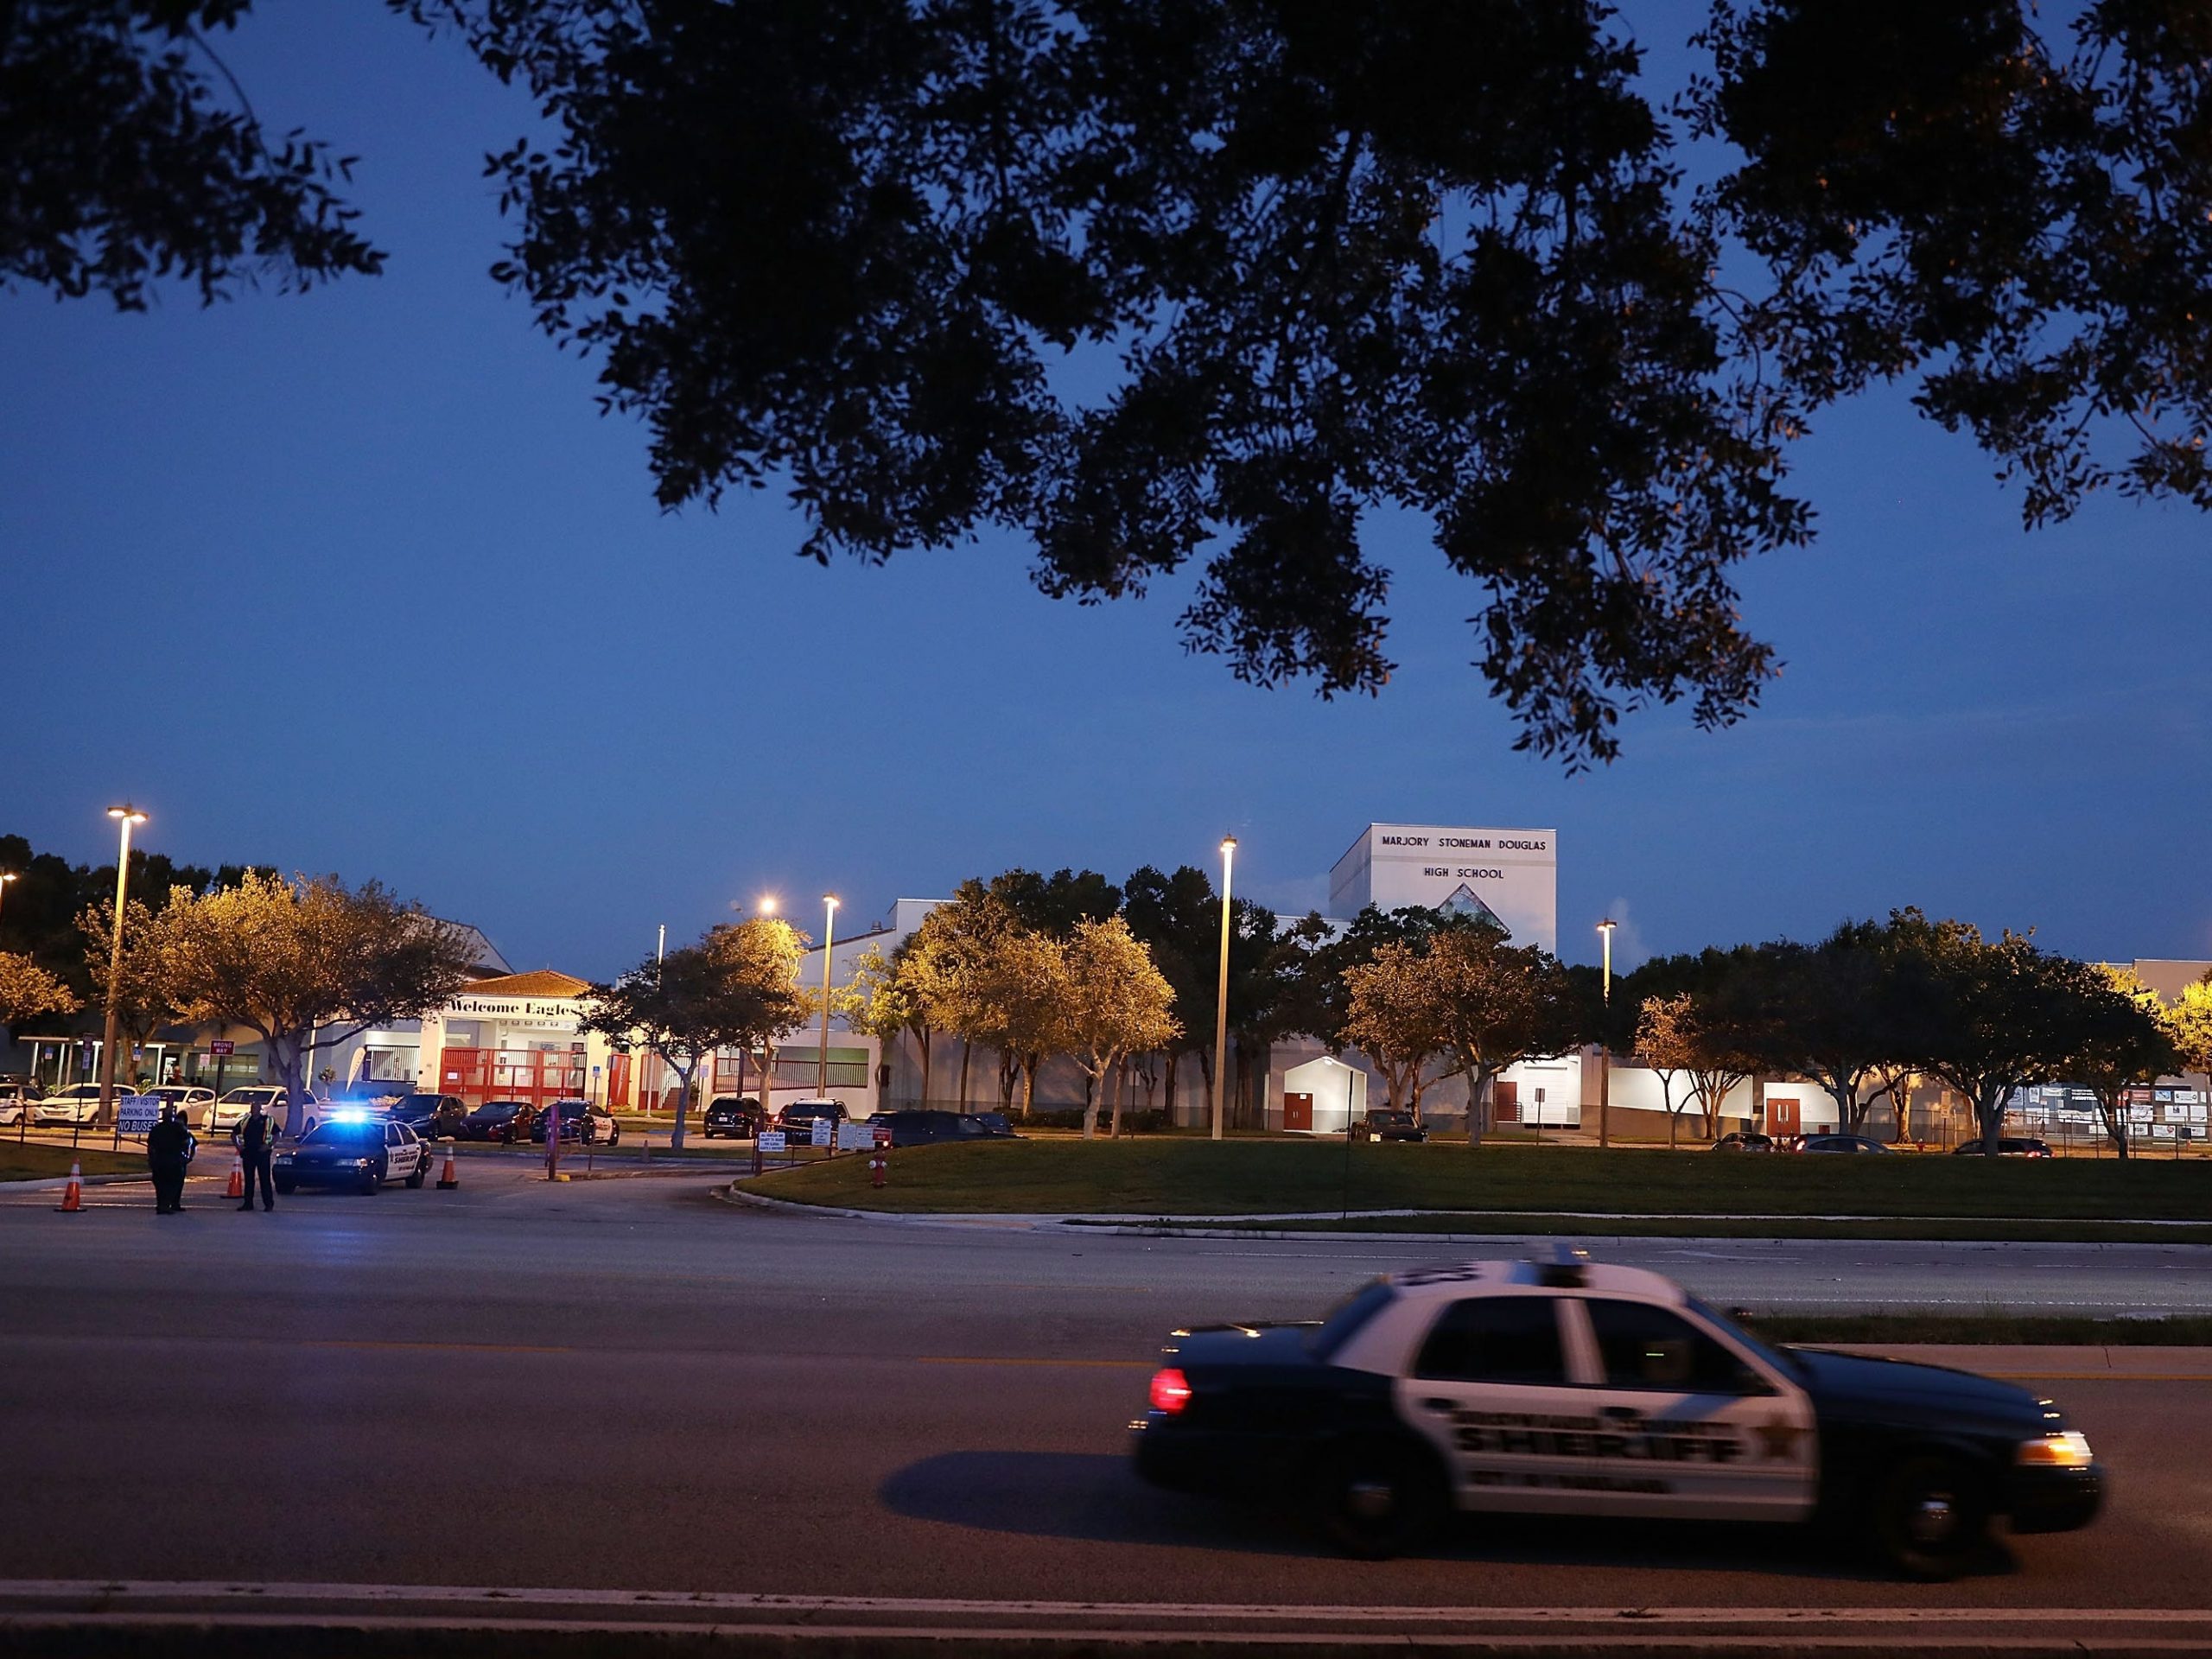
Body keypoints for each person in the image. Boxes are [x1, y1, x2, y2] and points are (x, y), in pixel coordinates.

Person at [233, 1097, 277, 1212]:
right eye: (252, 1107)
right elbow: (233, 1134)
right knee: (249, 1180)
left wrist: (269, 1146)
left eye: (256, 1108)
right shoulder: (245, 1121)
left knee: (264, 1179)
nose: (253, 1110)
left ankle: (268, 1204)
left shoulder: (267, 1121)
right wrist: (239, 1146)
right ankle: (248, 1204)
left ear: (260, 1109)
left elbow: (278, 1134)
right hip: (248, 1153)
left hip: (262, 1154)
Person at [147, 1103, 187, 1214]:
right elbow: (186, 1141)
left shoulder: (156, 1129)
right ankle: (167, 1204)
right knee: (172, 1184)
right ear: (172, 1117)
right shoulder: (178, 1129)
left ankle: (161, 1205)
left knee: (160, 1184)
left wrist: (151, 1159)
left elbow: (151, 1146)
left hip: (159, 1160)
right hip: (173, 1160)